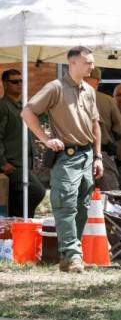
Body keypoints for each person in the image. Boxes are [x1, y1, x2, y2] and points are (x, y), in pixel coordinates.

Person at [21, 46, 103, 273]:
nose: (92, 66)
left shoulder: (89, 90)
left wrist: (98, 156)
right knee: (65, 204)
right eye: (88, 62)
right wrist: (46, 139)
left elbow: (95, 125)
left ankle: (69, 255)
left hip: (87, 155)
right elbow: (27, 112)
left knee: (82, 206)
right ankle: (73, 254)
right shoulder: (55, 87)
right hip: (66, 157)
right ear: (73, 63)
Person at [0, 69, 45, 218]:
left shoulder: (23, 106)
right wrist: (2, 162)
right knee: (37, 191)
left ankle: (16, 229)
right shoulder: (3, 106)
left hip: (25, 163)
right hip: (13, 165)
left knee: (15, 200)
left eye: (21, 81)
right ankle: (21, 222)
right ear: (5, 84)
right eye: (14, 81)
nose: (19, 84)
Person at [83, 68, 121, 191]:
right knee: (110, 198)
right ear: (98, 81)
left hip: (75, 155)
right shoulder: (107, 100)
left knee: (81, 198)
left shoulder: (70, 97)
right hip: (101, 156)